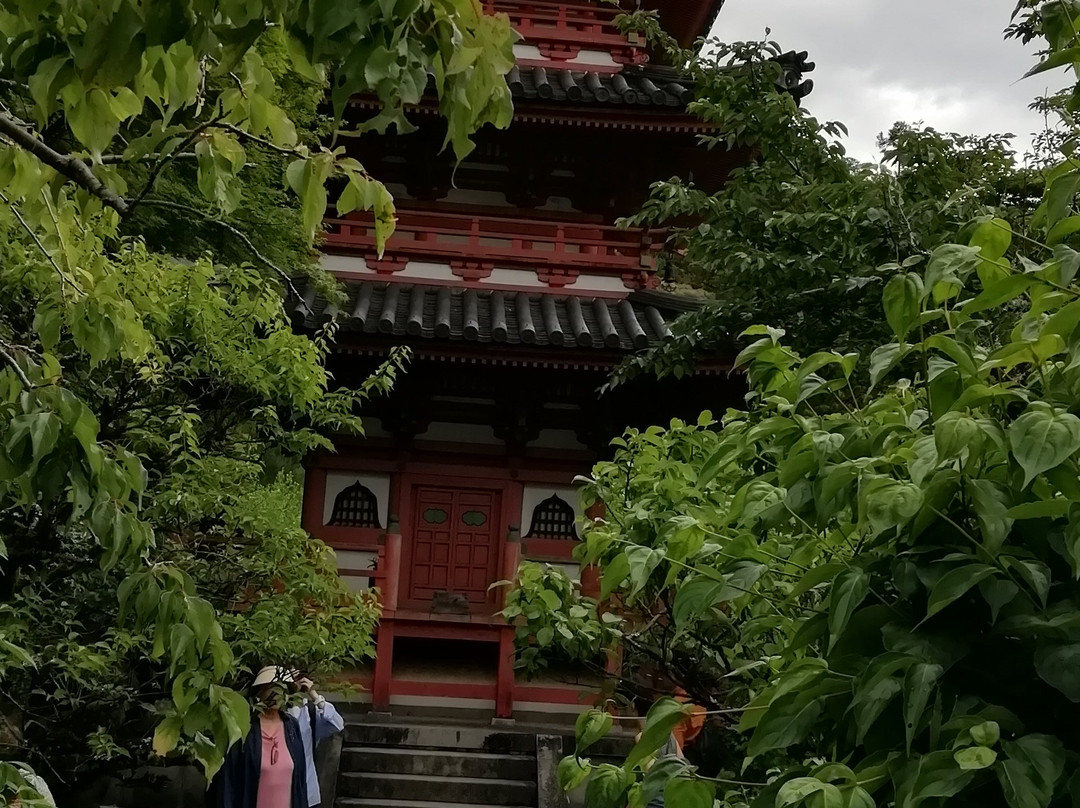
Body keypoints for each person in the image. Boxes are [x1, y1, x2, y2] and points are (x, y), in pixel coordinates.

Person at [214, 665, 308, 808]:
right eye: (270, 688)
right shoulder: (244, 725)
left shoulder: (291, 726)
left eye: (281, 689)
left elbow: (300, 780)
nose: (276, 694)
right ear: (259, 691)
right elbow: (229, 780)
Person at [284, 672, 344, 808]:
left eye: (299, 678)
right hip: (279, 790)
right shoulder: (273, 712)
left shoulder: (309, 711)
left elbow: (337, 724)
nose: (296, 682)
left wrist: (315, 696)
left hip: (307, 789)